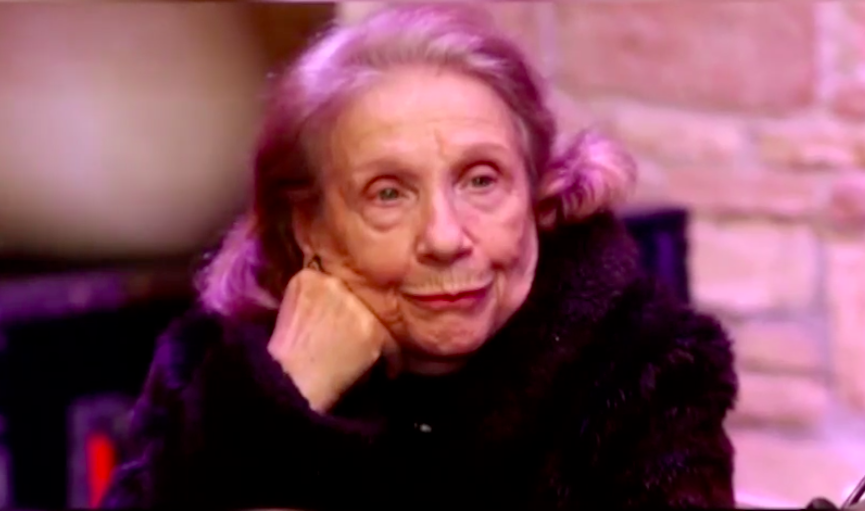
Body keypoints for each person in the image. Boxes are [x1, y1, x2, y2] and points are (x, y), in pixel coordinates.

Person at [101, 4, 737, 509]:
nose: (444, 236)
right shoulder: (207, 369)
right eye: (388, 193)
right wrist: (286, 399)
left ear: (537, 194)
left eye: (481, 181)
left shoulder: (644, 371)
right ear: (310, 226)